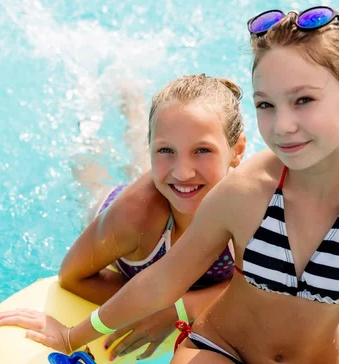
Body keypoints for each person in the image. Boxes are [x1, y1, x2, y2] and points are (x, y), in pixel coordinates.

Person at [0, 6, 339, 364]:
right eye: (266, 104)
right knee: (121, 184)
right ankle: (116, 118)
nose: (283, 125)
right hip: (222, 349)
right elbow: (162, 279)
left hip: (318, 357)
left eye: (303, 100)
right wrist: (72, 336)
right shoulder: (246, 191)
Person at [46, 74, 246, 360]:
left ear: (236, 152)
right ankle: (96, 114)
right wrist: (148, 306)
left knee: (168, 180)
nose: (183, 170)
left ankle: (133, 103)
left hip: (168, 194)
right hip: (128, 214)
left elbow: (260, 290)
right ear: (151, 146)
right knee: (90, 175)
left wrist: (177, 309)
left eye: (202, 150)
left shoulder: (247, 208)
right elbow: (72, 277)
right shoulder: (133, 217)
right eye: (165, 150)